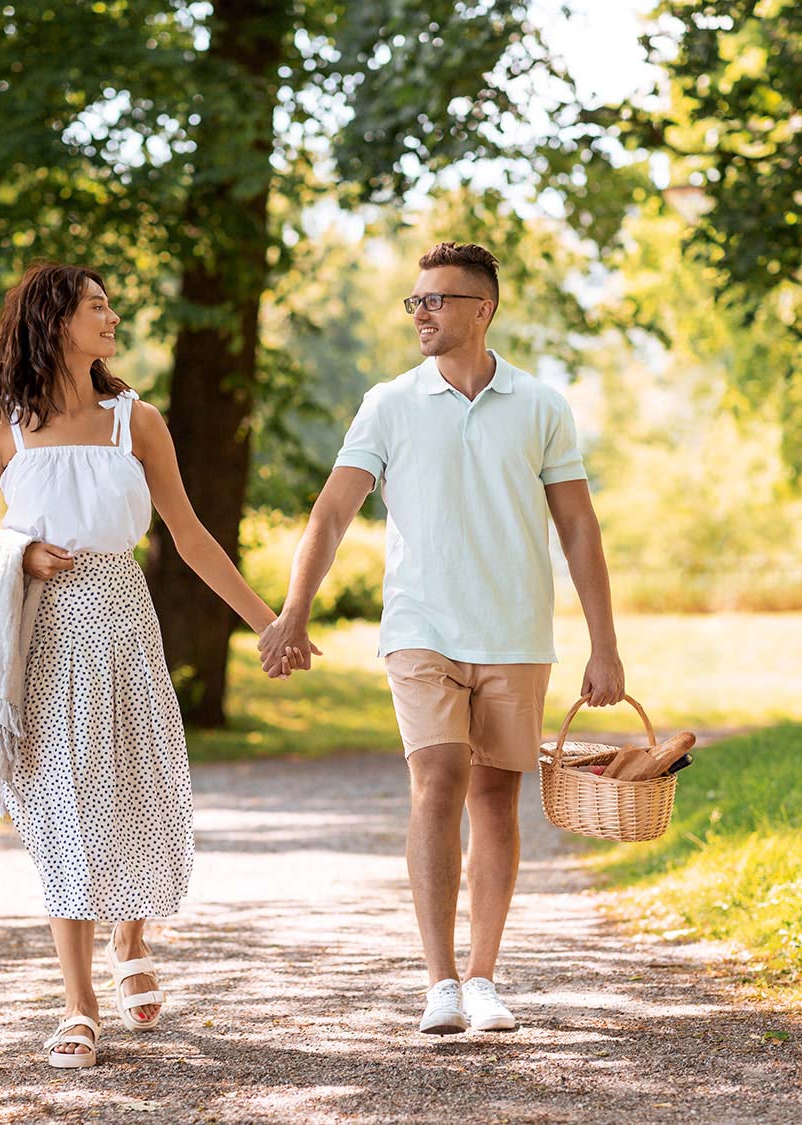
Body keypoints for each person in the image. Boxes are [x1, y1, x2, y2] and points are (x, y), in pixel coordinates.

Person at [259, 241, 625, 1034]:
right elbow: (332, 512)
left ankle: (484, 977)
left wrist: (605, 644)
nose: (422, 312)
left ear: (482, 309)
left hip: (515, 632)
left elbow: (579, 528)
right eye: (416, 300)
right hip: (420, 626)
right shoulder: (388, 402)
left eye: (438, 299)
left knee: (495, 798)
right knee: (436, 783)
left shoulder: (540, 404)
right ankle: (440, 982)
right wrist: (295, 610)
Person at [0, 261, 306, 1067]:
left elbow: (190, 534)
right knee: (65, 805)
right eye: (97, 307)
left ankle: (131, 933)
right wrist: (21, 551)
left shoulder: (135, 420)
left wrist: (272, 623)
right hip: (43, 627)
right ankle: (78, 1007)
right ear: (55, 321)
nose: (112, 318)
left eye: (110, 306)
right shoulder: (3, 424)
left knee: (137, 782)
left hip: (123, 616)